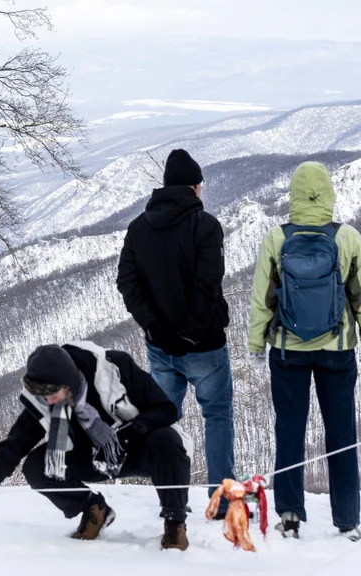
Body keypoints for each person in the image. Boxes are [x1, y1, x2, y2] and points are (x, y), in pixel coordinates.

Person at [0, 342, 193, 550]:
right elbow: (8, 453)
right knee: (36, 466)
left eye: (53, 394)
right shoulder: (44, 401)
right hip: (89, 458)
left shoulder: (114, 368)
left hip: (138, 450)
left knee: (166, 440)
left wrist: (130, 432)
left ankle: (174, 523)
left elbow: (166, 410)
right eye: (43, 395)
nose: (49, 402)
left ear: (70, 383)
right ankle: (94, 508)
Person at [247, 161, 361, 542]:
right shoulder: (347, 238)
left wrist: (257, 344)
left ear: (292, 195)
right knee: (342, 435)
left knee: (289, 431)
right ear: (329, 194)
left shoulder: (276, 238)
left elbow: (262, 300)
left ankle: (289, 516)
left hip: (288, 352)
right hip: (337, 352)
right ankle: (347, 520)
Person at [116, 148, 235, 517]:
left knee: (165, 419)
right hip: (206, 346)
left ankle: (171, 498)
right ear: (195, 187)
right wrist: (190, 333)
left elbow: (127, 283)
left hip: (160, 348)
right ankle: (221, 499)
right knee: (217, 415)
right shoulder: (206, 226)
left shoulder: (138, 228)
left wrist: (154, 326)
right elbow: (207, 285)